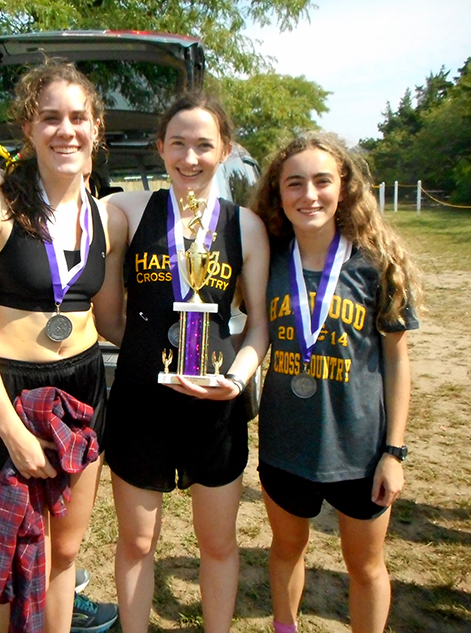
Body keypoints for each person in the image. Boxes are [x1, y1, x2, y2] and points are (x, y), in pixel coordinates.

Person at [0, 92, 270, 633]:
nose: (191, 158)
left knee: (218, 543)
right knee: (136, 542)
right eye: (178, 144)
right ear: (160, 148)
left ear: (224, 151)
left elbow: (259, 322)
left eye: (204, 145)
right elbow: (56, 207)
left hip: (215, 406)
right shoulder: (126, 209)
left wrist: (237, 376)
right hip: (140, 404)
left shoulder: (246, 226)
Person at [0, 59, 126, 633]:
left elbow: (111, 322)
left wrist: (194, 347)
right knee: (14, 561)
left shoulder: (104, 217)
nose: (65, 129)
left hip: (83, 388)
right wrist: (11, 431)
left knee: (65, 555)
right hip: (12, 392)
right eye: (49, 117)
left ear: (96, 129)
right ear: (27, 129)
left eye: (79, 117)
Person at [251, 132, 422, 633]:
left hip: (360, 449)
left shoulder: (376, 264)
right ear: (278, 194)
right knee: (285, 550)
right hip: (286, 445)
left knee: (365, 565)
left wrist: (394, 451)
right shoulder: (268, 261)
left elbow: (397, 359)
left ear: (343, 187)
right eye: (294, 183)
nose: (309, 195)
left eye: (322, 181)